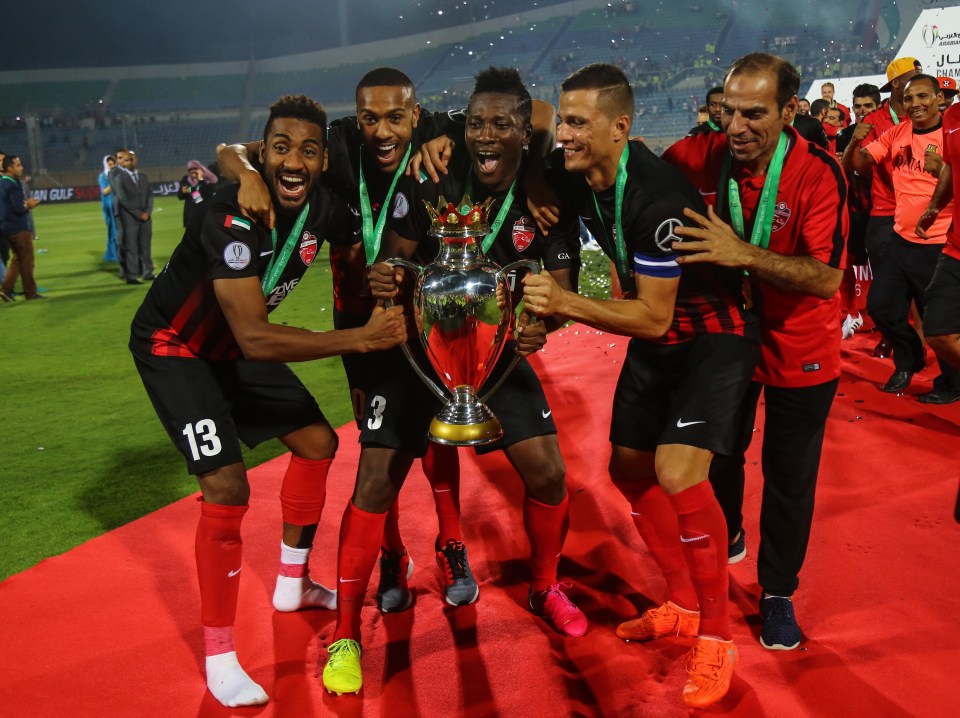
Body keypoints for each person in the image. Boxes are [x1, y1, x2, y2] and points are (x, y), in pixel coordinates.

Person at [128, 95, 407, 708]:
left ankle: (290, 584)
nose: (294, 161)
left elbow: (360, 250)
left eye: (309, 151)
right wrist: (359, 338)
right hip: (178, 346)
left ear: (322, 160)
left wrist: (385, 274)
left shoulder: (327, 209)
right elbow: (255, 335)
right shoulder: (229, 213)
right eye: (279, 148)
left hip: (232, 348)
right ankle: (221, 657)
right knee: (227, 487)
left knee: (317, 443)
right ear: (264, 150)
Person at [324, 66, 586, 697]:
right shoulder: (435, 174)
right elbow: (394, 252)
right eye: (476, 124)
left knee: (548, 472)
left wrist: (538, 329)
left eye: (501, 125)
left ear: (526, 132)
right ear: (460, 127)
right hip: (418, 353)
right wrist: (388, 273)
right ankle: (344, 635)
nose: (485, 136)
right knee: (375, 477)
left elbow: (565, 290)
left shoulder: (547, 193)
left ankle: (546, 584)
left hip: (496, 358)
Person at [524, 63, 760, 709]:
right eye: (565, 118)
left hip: (713, 337)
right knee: (629, 472)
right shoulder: (580, 174)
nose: (565, 133)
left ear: (620, 126)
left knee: (679, 472)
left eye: (579, 122)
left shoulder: (656, 198)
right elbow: (534, 125)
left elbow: (654, 314)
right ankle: (681, 602)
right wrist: (534, 172)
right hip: (658, 341)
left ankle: (717, 635)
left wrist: (566, 302)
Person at [218, 67, 480, 618]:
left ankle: (451, 544)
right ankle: (391, 554)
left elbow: (523, 118)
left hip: (431, 315)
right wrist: (242, 173)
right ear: (355, 118)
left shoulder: (440, 128)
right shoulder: (335, 142)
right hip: (360, 320)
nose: (381, 131)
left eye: (394, 117)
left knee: (438, 438)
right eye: (369, 118)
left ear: (415, 112)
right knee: (373, 440)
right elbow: (235, 149)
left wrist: (449, 138)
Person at [662, 52, 847, 652]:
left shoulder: (818, 172)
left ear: (790, 110)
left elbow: (824, 278)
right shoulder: (698, 154)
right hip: (724, 339)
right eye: (728, 112)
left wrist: (739, 252)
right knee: (720, 455)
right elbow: (622, 169)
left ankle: (777, 593)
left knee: (790, 477)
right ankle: (730, 531)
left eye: (753, 115)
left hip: (802, 344)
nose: (735, 128)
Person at [844, 74, 960, 403]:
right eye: (909, 99)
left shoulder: (951, 133)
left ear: (939, 98)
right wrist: (855, 140)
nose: (915, 104)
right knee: (881, 306)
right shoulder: (898, 131)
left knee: (938, 321)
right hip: (899, 239)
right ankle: (910, 360)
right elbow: (858, 164)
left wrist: (941, 170)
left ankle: (953, 382)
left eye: (924, 96)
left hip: (939, 245)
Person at [845, 57, 923, 359]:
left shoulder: (925, 118)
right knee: (885, 290)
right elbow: (859, 167)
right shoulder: (874, 123)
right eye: (911, 78)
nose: (917, 82)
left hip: (921, 212)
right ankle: (896, 335)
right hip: (885, 213)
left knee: (921, 285)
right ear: (895, 85)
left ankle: (917, 340)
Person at [917, 100, 960, 376]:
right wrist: (935, 205)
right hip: (956, 248)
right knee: (939, 332)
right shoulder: (954, 115)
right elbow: (950, 164)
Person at [836, 83, 881, 340]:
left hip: (882, 209)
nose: (862, 111)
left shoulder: (887, 132)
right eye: (858, 106)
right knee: (849, 262)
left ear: (877, 106)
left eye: (868, 106)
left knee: (883, 265)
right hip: (853, 209)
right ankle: (852, 312)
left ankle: (880, 315)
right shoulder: (846, 134)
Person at [0, 155, 43, 302]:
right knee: (27, 260)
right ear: (9, 168)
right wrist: (30, 204)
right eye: (18, 165)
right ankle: (30, 293)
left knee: (18, 259)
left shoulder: (2, 182)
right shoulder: (12, 184)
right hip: (17, 227)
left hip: (6, 226)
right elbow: (19, 208)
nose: (21, 167)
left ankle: (6, 290)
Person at [114, 148, 155, 284]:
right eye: (126, 160)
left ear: (136, 160)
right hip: (130, 219)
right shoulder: (120, 178)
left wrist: (147, 212)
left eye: (132, 159)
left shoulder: (143, 177)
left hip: (146, 218)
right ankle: (131, 276)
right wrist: (139, 214)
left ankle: (148, 272)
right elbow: (123, 199)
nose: (130, 162)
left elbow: (150, 196)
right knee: (132, 248)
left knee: (145, 246)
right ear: (123, 163)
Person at [177, 159, 218, 228]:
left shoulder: (208, 179)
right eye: (190, 170)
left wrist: (201, 180)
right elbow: (180, 196)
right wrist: (183, 192)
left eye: (195, 169)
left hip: (204, 214)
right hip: (190, 214)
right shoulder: (186, 180)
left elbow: (210, 193)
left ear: (200, 169)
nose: (193, 172)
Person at [98, 155, 119, 262]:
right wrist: (113, 182)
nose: (111, 166)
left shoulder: (118, 175)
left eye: (113, 164)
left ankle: (119, 253)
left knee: (119, 229)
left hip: (117, 205)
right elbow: (105, 192)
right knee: (112, 229)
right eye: (109, 165)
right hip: (108, 206)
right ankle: (113, 253)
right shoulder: (103, 176)